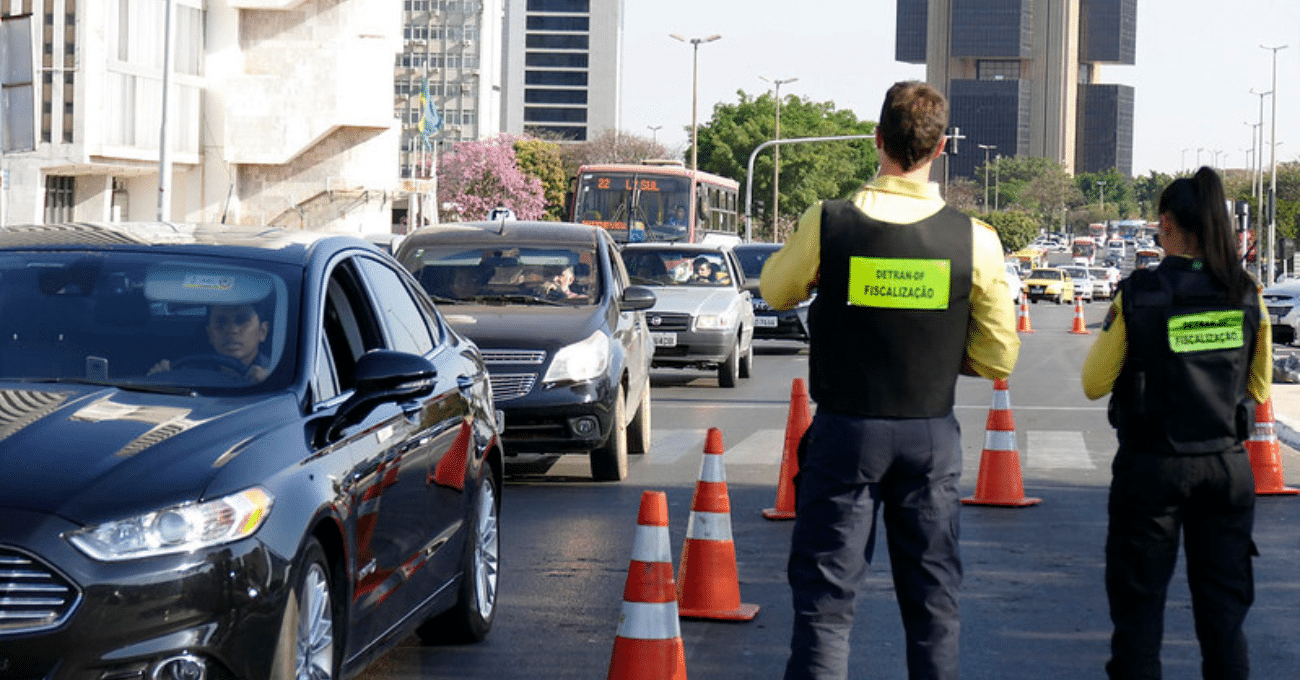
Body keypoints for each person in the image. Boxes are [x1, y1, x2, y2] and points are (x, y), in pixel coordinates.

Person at [760, 80, 1020, 680]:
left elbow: (776, 291)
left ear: (877, 140)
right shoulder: (975, 239)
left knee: (826, 608)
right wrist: (941, 355)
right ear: (942, 147)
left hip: (846, 432)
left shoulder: (828, 223)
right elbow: (1000, 355)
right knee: (933, 605)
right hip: (930, 436)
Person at [1081, 167, 1271, 680]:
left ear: (1165, 224)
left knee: (1140, 617)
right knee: (1224, 621)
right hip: (1225, 471)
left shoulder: (1139, 293)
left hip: (1152, 469)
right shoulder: (1245, 293)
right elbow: (1259, 387)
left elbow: (1094, 383)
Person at [149, 302, 272, 383]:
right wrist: (159, 378)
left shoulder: (279, 376)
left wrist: (269, 383)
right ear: (210, 335)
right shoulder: (186, 374)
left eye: (242, 320)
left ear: (262, 331)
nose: (232, 330)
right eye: (221, 321)